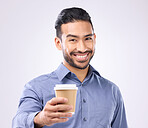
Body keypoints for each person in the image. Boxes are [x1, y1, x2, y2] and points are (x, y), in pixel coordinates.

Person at [12, 7, 128, 128]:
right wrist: (39, 119)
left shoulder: (112, 91)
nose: (82, 48)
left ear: (94, 39)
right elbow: (17, 123)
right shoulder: (36, 88)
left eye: (87, 38)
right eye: (73, 40)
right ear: (58, 43)